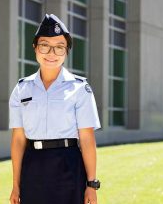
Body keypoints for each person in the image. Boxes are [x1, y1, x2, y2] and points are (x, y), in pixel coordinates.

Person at [9, 14, 101, 204]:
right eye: (45, 45)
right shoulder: (21, 89)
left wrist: (91, 185)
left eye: (59, 47)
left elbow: (86, 139)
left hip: (68, 166)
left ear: (66, 52)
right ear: (35, 47)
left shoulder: (79, 89)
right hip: (32, 167)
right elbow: (18, 140)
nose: (51, 53)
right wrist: (16, 184)